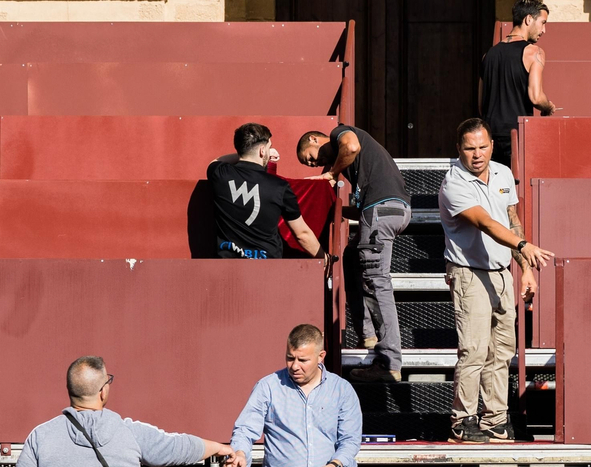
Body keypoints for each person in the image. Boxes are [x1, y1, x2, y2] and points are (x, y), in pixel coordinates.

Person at [438, 118, 555, 444]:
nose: (477, 154)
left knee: (501, 352)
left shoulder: (503, 172)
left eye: (483, 146)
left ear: (492, 145)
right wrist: (523, 247)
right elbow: (486, 223)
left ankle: (495, 421)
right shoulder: (454, 183)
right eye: (470, 148)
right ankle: (462, 422)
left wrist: (525, 268)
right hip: (468, 272)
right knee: (474, 350)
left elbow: (511, 220)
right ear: (458, 150)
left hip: (502, 271)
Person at [5, 356, 239, 467]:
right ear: (103, 390)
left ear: (70, 390)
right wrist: (219, 447)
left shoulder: (41, 437)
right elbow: (176, 448)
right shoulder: (128, 431)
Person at [297, 125, 410, 383]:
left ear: (315, 139)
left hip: (381, 210)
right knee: (350, 258)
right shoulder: (355, 166)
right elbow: (360, 212)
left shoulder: (340, 134)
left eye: (310, 157)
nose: (315, 164)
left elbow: (351, 146)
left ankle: (389, 361)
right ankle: (367, 333)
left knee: (376, 281)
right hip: (392, 209)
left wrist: (331, 174)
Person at [227, 324, 361, 467]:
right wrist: (240, 451)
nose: (295, 366)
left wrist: (334, 465)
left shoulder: (341, 390)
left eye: (303, 360)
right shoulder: (268, 387)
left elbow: (350, 440)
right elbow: (245, 429)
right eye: (290, 358)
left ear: (321, 356)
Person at [209, 123, 323, 259]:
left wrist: (245, 151)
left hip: (227, 266)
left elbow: (215, 161)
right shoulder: (279, 187)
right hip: (267, 267)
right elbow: (302, 235)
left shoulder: (220, 174)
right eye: (269, 148)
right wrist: (325, 258)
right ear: (262, 151)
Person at [479, 0, 555, 168]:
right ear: (528, 19)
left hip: (488, 139)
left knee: (495, 190)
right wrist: (548, 106)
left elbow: (481, 105)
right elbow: (536, 97)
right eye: (543, 23)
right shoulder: (533, 52)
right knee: (518, 190)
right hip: (517, 137)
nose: (544, 30)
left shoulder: (488, 55)